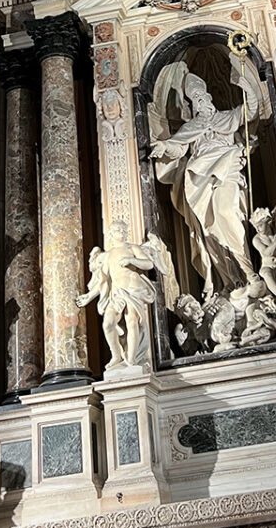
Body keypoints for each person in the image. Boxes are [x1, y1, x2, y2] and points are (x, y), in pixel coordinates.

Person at [151, 71, 258, 298]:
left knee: (227, 213)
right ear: (193, 105)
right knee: (210, 229)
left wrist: (245, 84)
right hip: (200, 180)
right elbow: (178, 146)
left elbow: (252, 109)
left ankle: (249, 272)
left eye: (203, 97)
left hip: (227, 169)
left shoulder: (227, 117)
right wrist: (164, 147)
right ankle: (230, 280)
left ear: (210, 98)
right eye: (196, 99)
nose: (202, 102)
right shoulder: (192, 127)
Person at [76, 221, 157, 369]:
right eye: (118, 230)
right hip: (117, 293)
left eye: (123, 229)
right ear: (111, 234)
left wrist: (131, 260)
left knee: (132, 321)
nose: (121, 232)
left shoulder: (132, 248)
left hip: (133, 290)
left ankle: (131, 359)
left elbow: (149, 264)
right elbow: (104, 280)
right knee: (108, 323)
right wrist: (89, 296)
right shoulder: (108, 255)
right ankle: (116, 355)